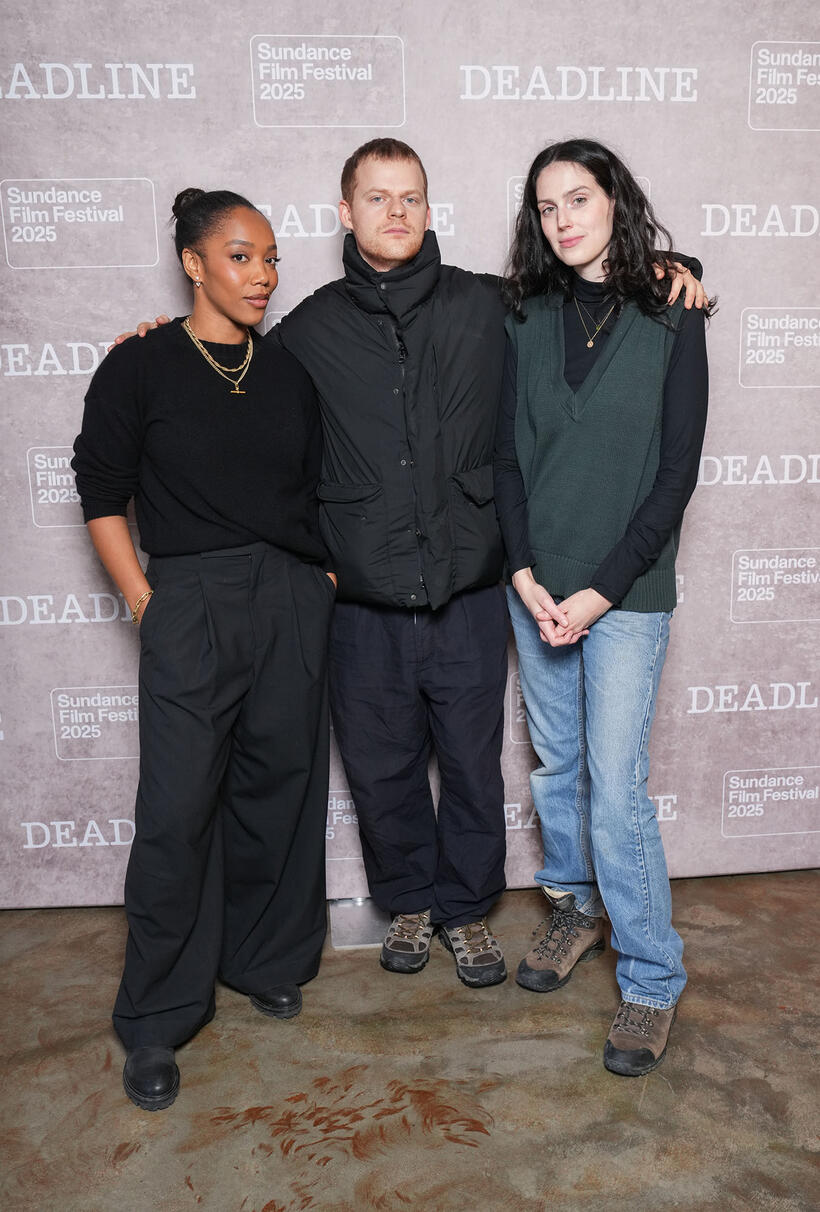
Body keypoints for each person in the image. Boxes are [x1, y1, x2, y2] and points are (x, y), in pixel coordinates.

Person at [119, 139, 705, 992]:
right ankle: (410, 903)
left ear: (430, 212)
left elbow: (588, 288)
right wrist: (156, 345)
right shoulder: (308, 329)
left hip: (472, 589)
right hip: (361, 598)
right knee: (383, 766)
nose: (395, 212)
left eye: (411, 198)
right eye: (376, 197)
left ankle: (469, 914)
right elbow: (226, 367)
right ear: (346, 213)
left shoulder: (491, 305)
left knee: (473, 765)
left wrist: (666, 259)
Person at [72, 189, 335, 1110]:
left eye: (270, 257)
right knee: (178, 808)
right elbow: (100, 490)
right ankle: (156, 1015)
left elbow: (315, 490)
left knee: (280, 790)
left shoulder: (290, 370)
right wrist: (144, 601)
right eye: (238, 256)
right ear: (193, 263)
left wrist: (317, 586)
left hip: (291, 597)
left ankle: (262, 958)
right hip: (190, 598)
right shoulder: (138, 365)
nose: (261, 274)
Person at [494, 138, 712, 1075]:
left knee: (616, 790)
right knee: (557, 764)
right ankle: (576, 907)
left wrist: (601, 589)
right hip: (540, 586)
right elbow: (505, 458)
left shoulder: (671, 308)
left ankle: (652, 980)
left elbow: (676, 474)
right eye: (547, 207)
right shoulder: (523, 311)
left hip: (624, 590)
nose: (564, 219)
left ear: (614, 201)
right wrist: (526, 574)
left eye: (579, 198)